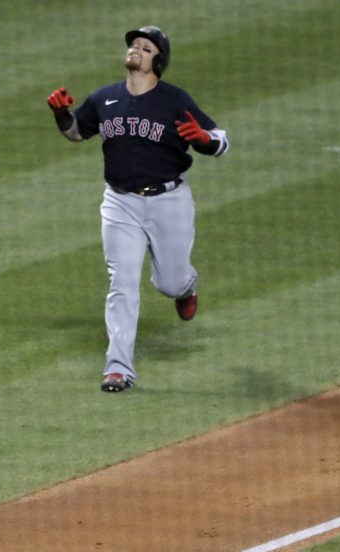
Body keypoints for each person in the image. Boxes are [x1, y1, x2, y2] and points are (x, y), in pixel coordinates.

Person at [46, 25, 229, 392]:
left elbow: (219, 140)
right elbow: (77, 132)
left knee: (170, 282)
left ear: (157, 62)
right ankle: (118, 368)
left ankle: (187, 287)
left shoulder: (174, 100)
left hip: (169, 201)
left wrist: (204, 140)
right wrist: (62, 115)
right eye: (134, 44)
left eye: (146, 47)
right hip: (120, 204)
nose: (136, 49)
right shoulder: (105, 98)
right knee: (122, 283)